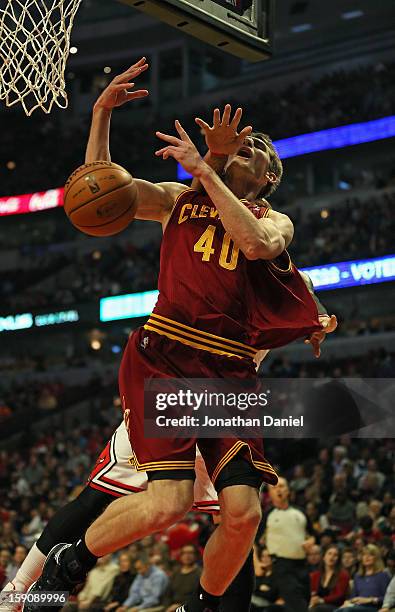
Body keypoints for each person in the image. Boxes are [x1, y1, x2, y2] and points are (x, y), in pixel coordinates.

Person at [22, 56, 336, 612]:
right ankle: (59, 570)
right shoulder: (176, 200)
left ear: (268, 178)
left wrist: (208, 168)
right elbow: (98, 190)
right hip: (169, 355)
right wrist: (100, 115)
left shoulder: (275, 219)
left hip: (232, 372)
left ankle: (199, 604)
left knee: (243, 515)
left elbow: (258, 244)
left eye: (258, 150)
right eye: (242, 142)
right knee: (167, 503)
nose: (248, 147)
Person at [259, 477, 316, 612]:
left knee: (304, 601)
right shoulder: (267, 516)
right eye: (274, 487)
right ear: (270, 493)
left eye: (282, 486)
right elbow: (254, 542)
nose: (278, 490)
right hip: (281, 566)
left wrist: (311, 542)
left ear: (288, 491)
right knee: (299, 607)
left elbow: (313, 535)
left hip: (302, 565)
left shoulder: (300, 512)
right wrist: (257, 563)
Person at [335, 544, 391, 611]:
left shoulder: (383, 575)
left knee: (347, 610)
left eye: (370, 555)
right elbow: (353, 596)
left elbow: (387, 598)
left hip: (373, 607)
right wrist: (348, 601)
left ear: (376, 558)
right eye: (364, 555)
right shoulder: (357, 576)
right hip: (357, 606)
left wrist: (370, 600)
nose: (366, 557)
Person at [309, 545, 350, 611]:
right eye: (329, 553)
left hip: (335, 606)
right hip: (316, 604)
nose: (332, 557)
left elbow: (339, 596)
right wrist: (312, 598)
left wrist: (321, 600)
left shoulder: (343, 575)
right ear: (324, 557)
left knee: (314, 609)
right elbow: (312, 591)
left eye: (335, 555)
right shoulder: (315, 575)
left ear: (338, 559)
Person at [163, 545, 201, 612]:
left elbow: (199, 599)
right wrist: (167, 607)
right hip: (170, 608)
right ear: (181, 556)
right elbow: (167, 594)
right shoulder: (176, 572)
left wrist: (180, 607)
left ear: (196, 556)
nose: (187, 556)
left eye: (190, 553)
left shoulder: (200, 574)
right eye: (184, 553)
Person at [251, 546, 285, 611]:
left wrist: (258, 589)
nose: (265, 559)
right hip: (254, 600)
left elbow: (272, 594)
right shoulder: (259, 573)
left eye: (268, 556)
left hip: (267, 604)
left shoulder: (276, 575)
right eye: (263, 556)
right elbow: (251, 588)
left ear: (273, 558)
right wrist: (260, 588)